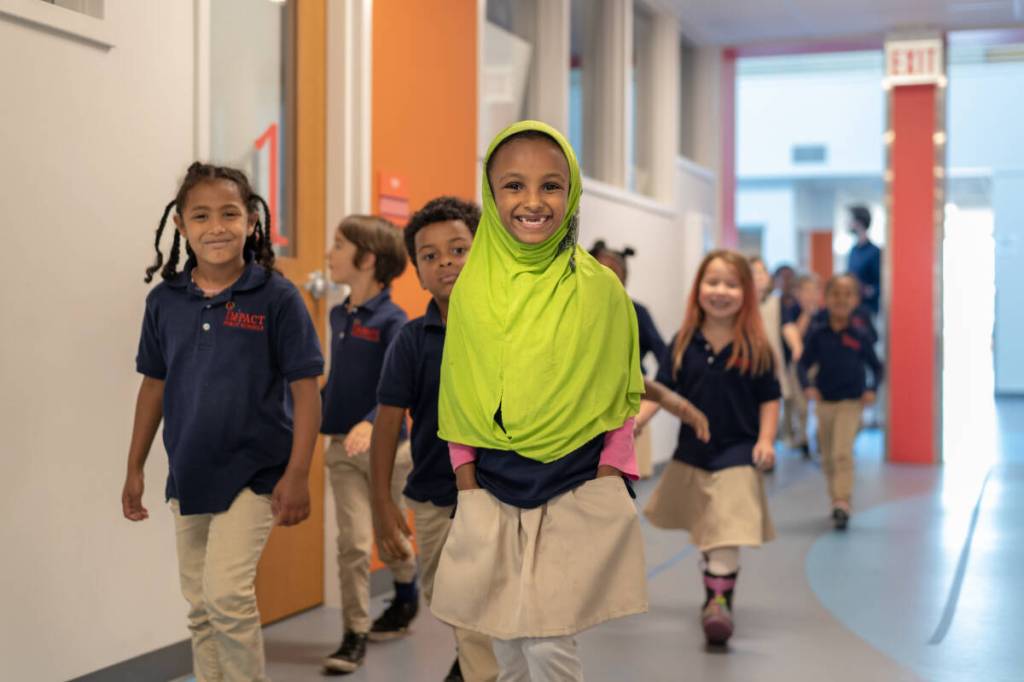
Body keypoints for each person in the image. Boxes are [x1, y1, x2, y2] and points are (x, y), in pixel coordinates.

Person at [430, 121, 699, 681]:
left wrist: (608, 472)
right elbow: (460, 390)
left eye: (550, 186)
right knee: (505, 638)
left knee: (548, 640)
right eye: (514, 185)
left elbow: (619, 390)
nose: (533, 201)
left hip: (574, 482)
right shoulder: (473, 289)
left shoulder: (600, 290)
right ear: (491, 194)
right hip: (492, 486)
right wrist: (467, 481)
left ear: (572, 192)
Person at [123, 162, 324, 682]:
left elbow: (306, 391)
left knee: (227, 597)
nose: (216, 227)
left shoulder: (277, 297)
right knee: (199, 605)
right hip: (190, 471)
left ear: (251, 221)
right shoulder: (164, 302)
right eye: (201, 216)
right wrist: (134, 467)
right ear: (181, 226)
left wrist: (298, 473)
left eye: (229, 214)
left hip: (256, 472)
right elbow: (153, 387)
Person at [369, 196, 498, 682]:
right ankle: (471, 661)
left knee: (488, 604)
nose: (446, 261)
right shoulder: (410, 340)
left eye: (458, 249)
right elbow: (387, 424)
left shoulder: (508, 330)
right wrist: (382, 503)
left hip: (501, 494)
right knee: (448, 600)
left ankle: (478, 668)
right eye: (430, 255)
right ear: (419, 274)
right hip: (433, 494)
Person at [641, 249, 780, 647]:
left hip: (738, 453)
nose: (721, 291)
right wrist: (639, 420)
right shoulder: (683, 342)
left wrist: (766, 440)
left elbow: (769, 398)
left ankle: (719, 605)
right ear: (698, 288)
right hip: (693, 453)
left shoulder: (756, 346)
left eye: (731, 285)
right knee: (709, 529)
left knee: (726, 529)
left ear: (746, 293)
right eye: (712, 282)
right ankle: (714, 590)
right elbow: (663, 390)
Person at [320, 215, 418, 674]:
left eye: (339, 245)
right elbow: (338, 380)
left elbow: (399, 389)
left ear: (367, 259)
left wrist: (371, 422)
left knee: (390, 536)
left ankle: (406, 594)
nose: (330, 254)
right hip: (343, 449)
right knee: (354, 544)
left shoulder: (394, 322)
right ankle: (354, 632)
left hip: (388, 451)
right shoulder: (338, 314)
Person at [798, 274, 884, 531]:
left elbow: (877, 367)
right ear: (826, 298)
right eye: (835, 294)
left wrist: (871, 389)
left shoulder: (860, 334)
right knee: (827, 457)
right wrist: (807, 386)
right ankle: (835, 497)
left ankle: (842, 501)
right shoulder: (818, 333)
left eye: (848, 295)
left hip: (851, 403)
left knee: (842, 453)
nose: (841, 300)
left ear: (856, 300)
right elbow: (802, 364)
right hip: (825, 402)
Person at [591, 240, 668, 478]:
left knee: (623, 483)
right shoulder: (575, 312)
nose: (605, 280)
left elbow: (666, 359)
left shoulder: (636, 312)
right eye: (597, 271)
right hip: (588, 410)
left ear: (624, 279)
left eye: (613, 274)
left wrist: (646, 406)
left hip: (629, 409)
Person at [846, 205, 881, 317]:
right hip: (852, 307)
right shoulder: (853, 250)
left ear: (859, 222)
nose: (848, 223)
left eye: (851, 219)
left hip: (868, 309)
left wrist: (868, 290)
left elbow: (880, 284)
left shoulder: (875, 252)